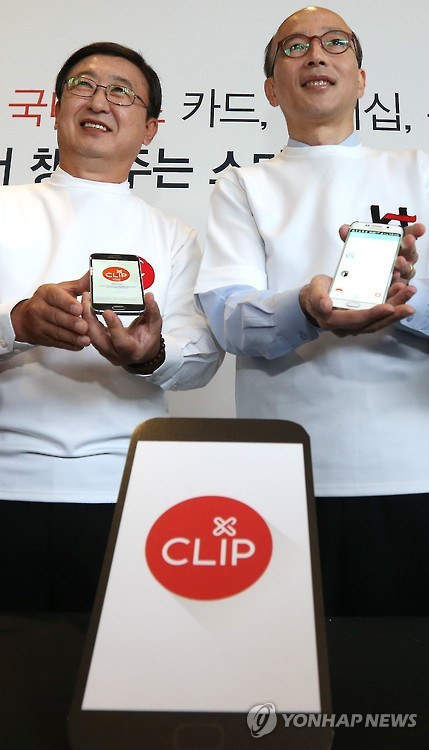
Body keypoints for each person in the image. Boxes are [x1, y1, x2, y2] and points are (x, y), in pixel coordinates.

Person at [195, 6, 429, 615]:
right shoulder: (242, 186)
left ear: (361, 77)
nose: (316, 54)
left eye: (335, 43)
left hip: (414, 469)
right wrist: (306, 306)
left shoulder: (419, 170)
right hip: (282, 474)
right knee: (287, 661)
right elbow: (228, 317)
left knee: (405, 660)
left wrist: (403, 297)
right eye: (294, 47)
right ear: (272, 89)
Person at [0, 41, 222, 612]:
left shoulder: (175, 236)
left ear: (150, 129)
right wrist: (17, 323)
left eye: (122, 92)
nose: (99, 101)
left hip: (125, 490)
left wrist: (148, 354)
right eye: (83, 85)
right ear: (55, 108)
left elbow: (200, 359)